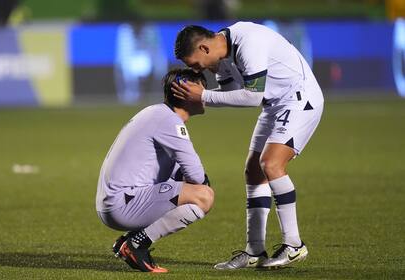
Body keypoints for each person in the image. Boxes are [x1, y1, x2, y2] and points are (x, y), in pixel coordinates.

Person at [172, 22, 324, 269]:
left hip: (300, 99)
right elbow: (231, 92)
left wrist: (203, 96)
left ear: (204, 47)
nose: (198, 69)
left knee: (271, 163)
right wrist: (201, 98)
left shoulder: (247, 42)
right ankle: (254, 251)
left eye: (195, 63)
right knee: (253, 171)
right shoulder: (220, 56)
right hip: (274, 104)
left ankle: (294, 245)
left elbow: (252, 96)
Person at [96, 68, 214, 273]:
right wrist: (198, 182)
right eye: (201, 88)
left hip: (117, 200)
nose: (205, 94)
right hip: (122, 204)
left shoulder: (157, 113)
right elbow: (196, 176)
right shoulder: (169, 120)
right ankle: (136, 244)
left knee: (193, 186)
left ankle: (130, 241)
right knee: (204, 196)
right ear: (183, 92)